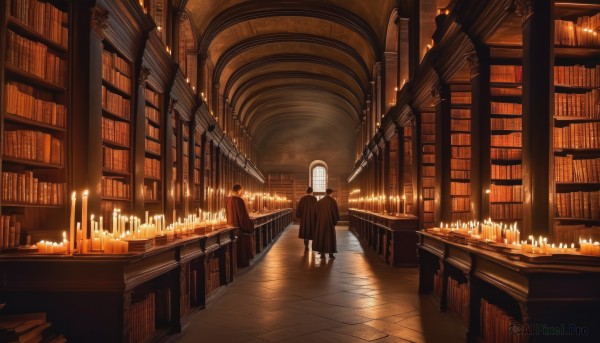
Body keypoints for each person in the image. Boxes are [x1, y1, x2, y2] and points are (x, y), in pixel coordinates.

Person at [225, 184, 255, 267]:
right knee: (248, 234)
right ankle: (243, 261)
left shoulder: (227, 199)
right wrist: (250, 224)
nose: (241, 193)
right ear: (239, 190)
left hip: (231, 226)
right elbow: (243, 217)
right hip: (240, 228)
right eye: (241, 191)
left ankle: (236, 262)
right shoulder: (239, 200)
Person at [312, 188, 340, 259]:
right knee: (330, 237)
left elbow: (315, 213)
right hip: (329, 222)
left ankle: (322, 254)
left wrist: (317, 221)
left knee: (321, 236)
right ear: (331, 193)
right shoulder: (332, 201)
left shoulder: (319, 201)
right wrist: (335, 220)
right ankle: (331, 254)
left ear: (325, 192)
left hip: (320, 222)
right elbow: (335, 212)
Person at [296, 187, 317, 251]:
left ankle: (306, 247)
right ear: (312, 191)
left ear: (306, 191)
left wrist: (299, 216)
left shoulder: (303, 198)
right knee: (313, 232)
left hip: (304, 219)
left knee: (305, 232)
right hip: (313, 219)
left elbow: (299, 208)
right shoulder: (314, 198)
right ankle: (313, 246)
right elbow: (317, 208)